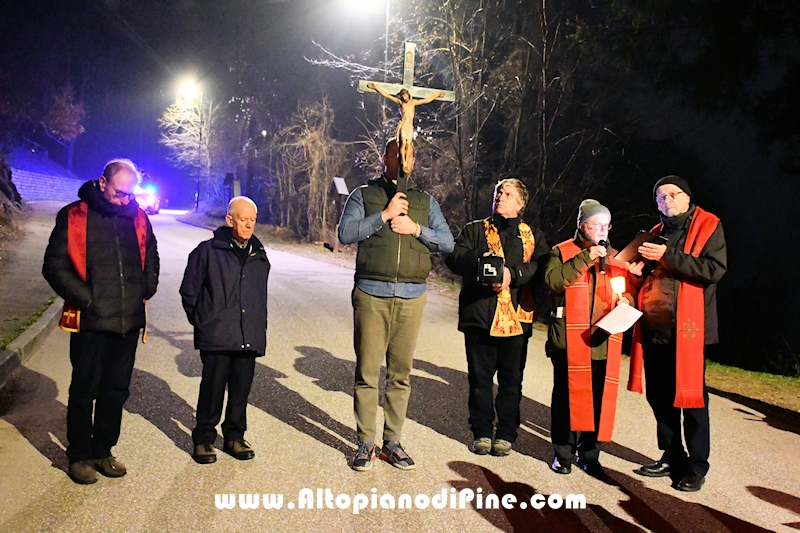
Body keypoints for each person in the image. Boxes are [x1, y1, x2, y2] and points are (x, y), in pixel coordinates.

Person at [338, 140, 454, 471]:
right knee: (368, 371)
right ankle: (365, 443)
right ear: (385, 158)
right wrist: (384, 216)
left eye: (409, 155)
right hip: (372, 294)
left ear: (414, 160)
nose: (404, 160)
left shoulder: (424, 201)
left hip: (412, 298)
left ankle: (392, 442)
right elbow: (345, 233)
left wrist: (416, 228)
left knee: (401, 374)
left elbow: (447, 242)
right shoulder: (364, 194)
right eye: (398, 154)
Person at [42, 158, 160, 484]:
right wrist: (88, 299)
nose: (126, 200)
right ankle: (79, 455)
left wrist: (145, 287)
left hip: (127, 323)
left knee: (115, 391)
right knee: (84, 390)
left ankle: (103, 451)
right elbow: (55, 266)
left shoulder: (138, 217)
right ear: (103, 183)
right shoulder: (74, 216)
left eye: (130, 194)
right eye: (121, 193)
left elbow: (151, 256)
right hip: (91, 321)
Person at [627, 175, 726, 492]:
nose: (667, 200)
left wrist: (666, 256)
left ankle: (696, 467)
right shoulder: (653, 234)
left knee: (693, 399)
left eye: (673, 194)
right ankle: (671, 455)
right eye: (660, 196)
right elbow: (644, 275)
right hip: (655, 327)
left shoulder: (709, 225)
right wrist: (634, 272)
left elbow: (713, 270)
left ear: (687, 197)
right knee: (660, 397)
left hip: (689, 330)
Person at [445, 179, 549, 457]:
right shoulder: (474, 230)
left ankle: (505, 433)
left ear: (520, 203)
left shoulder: (533, 235)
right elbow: (454, 258)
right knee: (480, 379)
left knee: (511, 381)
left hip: (517, 319)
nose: (500, 198)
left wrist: (512, 276)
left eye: (508, 194)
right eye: (498, 193)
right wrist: (481, 262)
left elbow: (540, 268)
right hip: (480, 316)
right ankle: (480, 431)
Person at [544, 199, 638, 477]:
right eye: (596, 224)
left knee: (598, 400)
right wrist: (587, 257)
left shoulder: (617, 258)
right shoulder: (562, 251)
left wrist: (627, 301)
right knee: (567, 400)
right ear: (581, 225)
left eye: (606, 226)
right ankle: (563, 453)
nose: (602, 231)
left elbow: (630, 291)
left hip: (604, 341)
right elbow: (553, 282)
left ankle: (590, 454)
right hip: (569, 341)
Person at [179, 196, 270, 464]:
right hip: (217, 335)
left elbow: (257, 297)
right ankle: (204, 439)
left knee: (241, 391)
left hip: (248, 335)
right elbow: (189, 292)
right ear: (230, 219)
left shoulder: (259, 255)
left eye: (253, 219)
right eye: (243, 219)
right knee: (212, 390)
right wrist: (204, 322)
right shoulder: (207, 251)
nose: (249, 225)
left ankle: (234, 436)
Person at [366, 82, 445, 175]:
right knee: (403, 143)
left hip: (410, 126)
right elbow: (387, 95)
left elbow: (426, 100)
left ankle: (406, 161)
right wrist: (376, 87)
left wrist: (437, 95)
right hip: (403, 124)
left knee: (408, 144)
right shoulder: (400, 103)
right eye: (402, 96)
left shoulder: (413, 102)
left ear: (408, 95)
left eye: (405, 95)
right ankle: (403, 161)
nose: (404, 97)